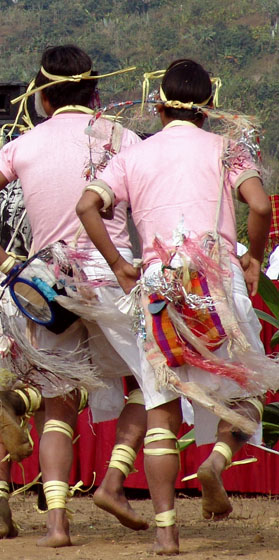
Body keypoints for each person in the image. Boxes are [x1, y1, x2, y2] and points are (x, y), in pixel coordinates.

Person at [77, 59, 277, 555]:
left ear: (160, 104)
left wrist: (120, 266)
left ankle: (167, 533)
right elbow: (261, 205)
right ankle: (216, 461)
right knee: (251, 389)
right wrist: (254, 256)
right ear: (209, 107)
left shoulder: (134, 156)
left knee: (161, 409)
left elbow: (86, 206)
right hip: (217, 277)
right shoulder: (226, 148)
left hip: (157, 286)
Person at [0, 45, 149, 546]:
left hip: (44, 287)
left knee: (57, 405)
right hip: (109, 279)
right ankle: (113, 482)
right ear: (97, 93)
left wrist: (7, 265)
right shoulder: (124, 139)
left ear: (40, 99)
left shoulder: (24, 144)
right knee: (157, 386)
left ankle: (58, 525)